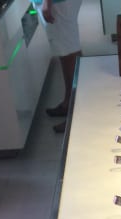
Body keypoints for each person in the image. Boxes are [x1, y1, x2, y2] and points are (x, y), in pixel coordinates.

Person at [36, 0, 83, 133]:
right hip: (57, 4)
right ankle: (69, 103)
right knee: (66, 51)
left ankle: (77, 114)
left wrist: (47, 2)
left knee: (69, 53)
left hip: (58, 4)